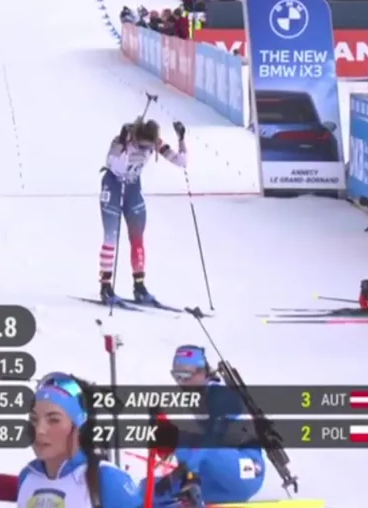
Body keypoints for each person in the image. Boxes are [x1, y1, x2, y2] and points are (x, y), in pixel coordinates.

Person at [0, 372, 199, 507]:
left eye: (54, 420)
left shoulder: (104, 478)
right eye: (34, 419)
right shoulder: (29, 475)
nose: (39, 430)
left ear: (78, 426)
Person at [99, 118, 187, 306]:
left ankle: (139, 287)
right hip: (113, 186)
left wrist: (181, 138)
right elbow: (114, 164)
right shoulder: (122, 139)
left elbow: (181, 162)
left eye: (148, 147)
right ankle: (105, 286)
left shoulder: (155, 142)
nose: (144, 150)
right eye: (141, 146)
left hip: (132, 189)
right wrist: (123, 142)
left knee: (137, 238)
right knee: (111, 237)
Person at [164, 346, 265, 504]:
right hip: (221, 475)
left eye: (185, 375)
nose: (180, 382)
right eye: (176, 376)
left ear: (201, 372)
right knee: (162, 490)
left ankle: (193, 490)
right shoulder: (197, 396)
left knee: (197, 446)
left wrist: (187, 473)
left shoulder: (220, 396)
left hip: (247, 469)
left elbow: (210, 442)